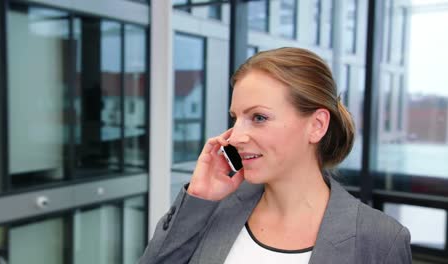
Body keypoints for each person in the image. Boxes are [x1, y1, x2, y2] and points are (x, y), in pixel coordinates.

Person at [140, 47, 412, 264]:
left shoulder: (380, 239)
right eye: (235, 118)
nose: (234, 137)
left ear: (317, 125)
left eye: (258, 117)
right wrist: (200, 196)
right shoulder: (214, 209)